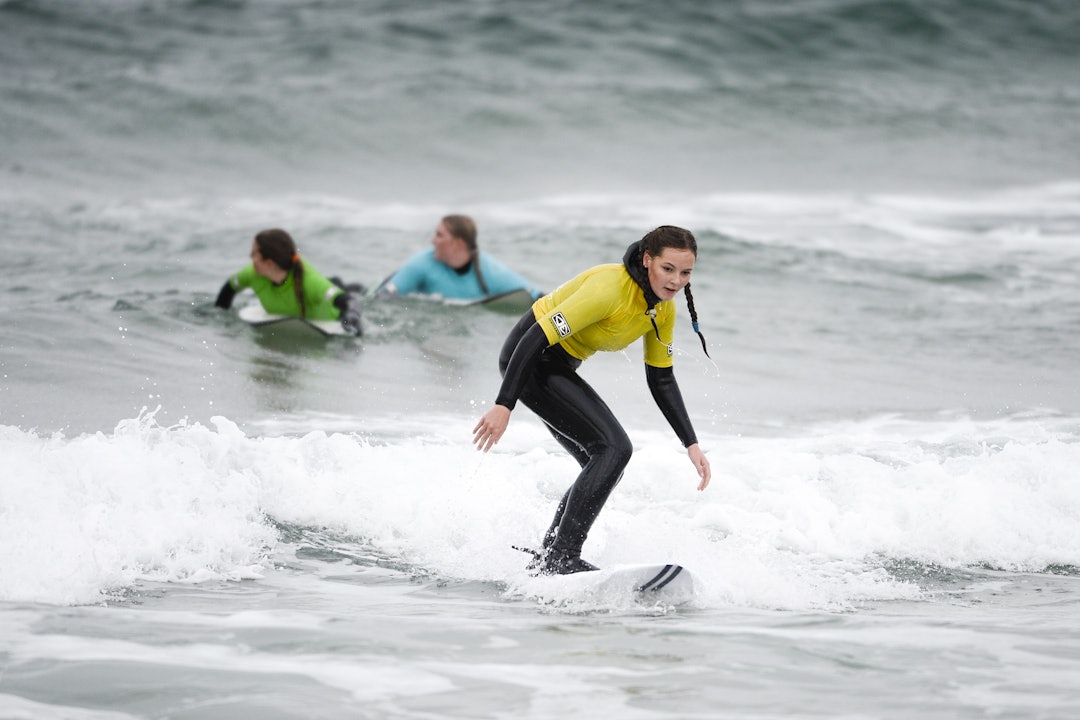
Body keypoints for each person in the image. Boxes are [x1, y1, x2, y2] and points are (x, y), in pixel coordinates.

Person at [472, 225, 712, 575]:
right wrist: (504, 403)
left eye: (686, 272)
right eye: (668, 269)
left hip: (557, 368)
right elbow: (536, 336)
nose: (676, 281)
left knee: (602, 464)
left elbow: (660, 378)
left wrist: (690, 443)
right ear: (647, 261)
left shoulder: (662, 310)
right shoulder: (610, 289)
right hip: (530, 362)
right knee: (614, 450)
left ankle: (551, 552)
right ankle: (562, 556)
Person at [214, 228, 363, 336]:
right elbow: (229, 288)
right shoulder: (253, 273)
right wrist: (220, 315)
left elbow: (349, 302)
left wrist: (352, 318)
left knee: (353, 293)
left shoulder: (310, 282)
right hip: (318, 290)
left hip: (332, 306)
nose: (250, 257)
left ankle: (353, 287)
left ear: (269, 263)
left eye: (254, 253)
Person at [372, 215, 543, 301]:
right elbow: (381, 297)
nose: (433, 240)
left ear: (457, 243)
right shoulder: (422, 263)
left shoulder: (486, 268)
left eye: (439, 235)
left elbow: (533, 295)